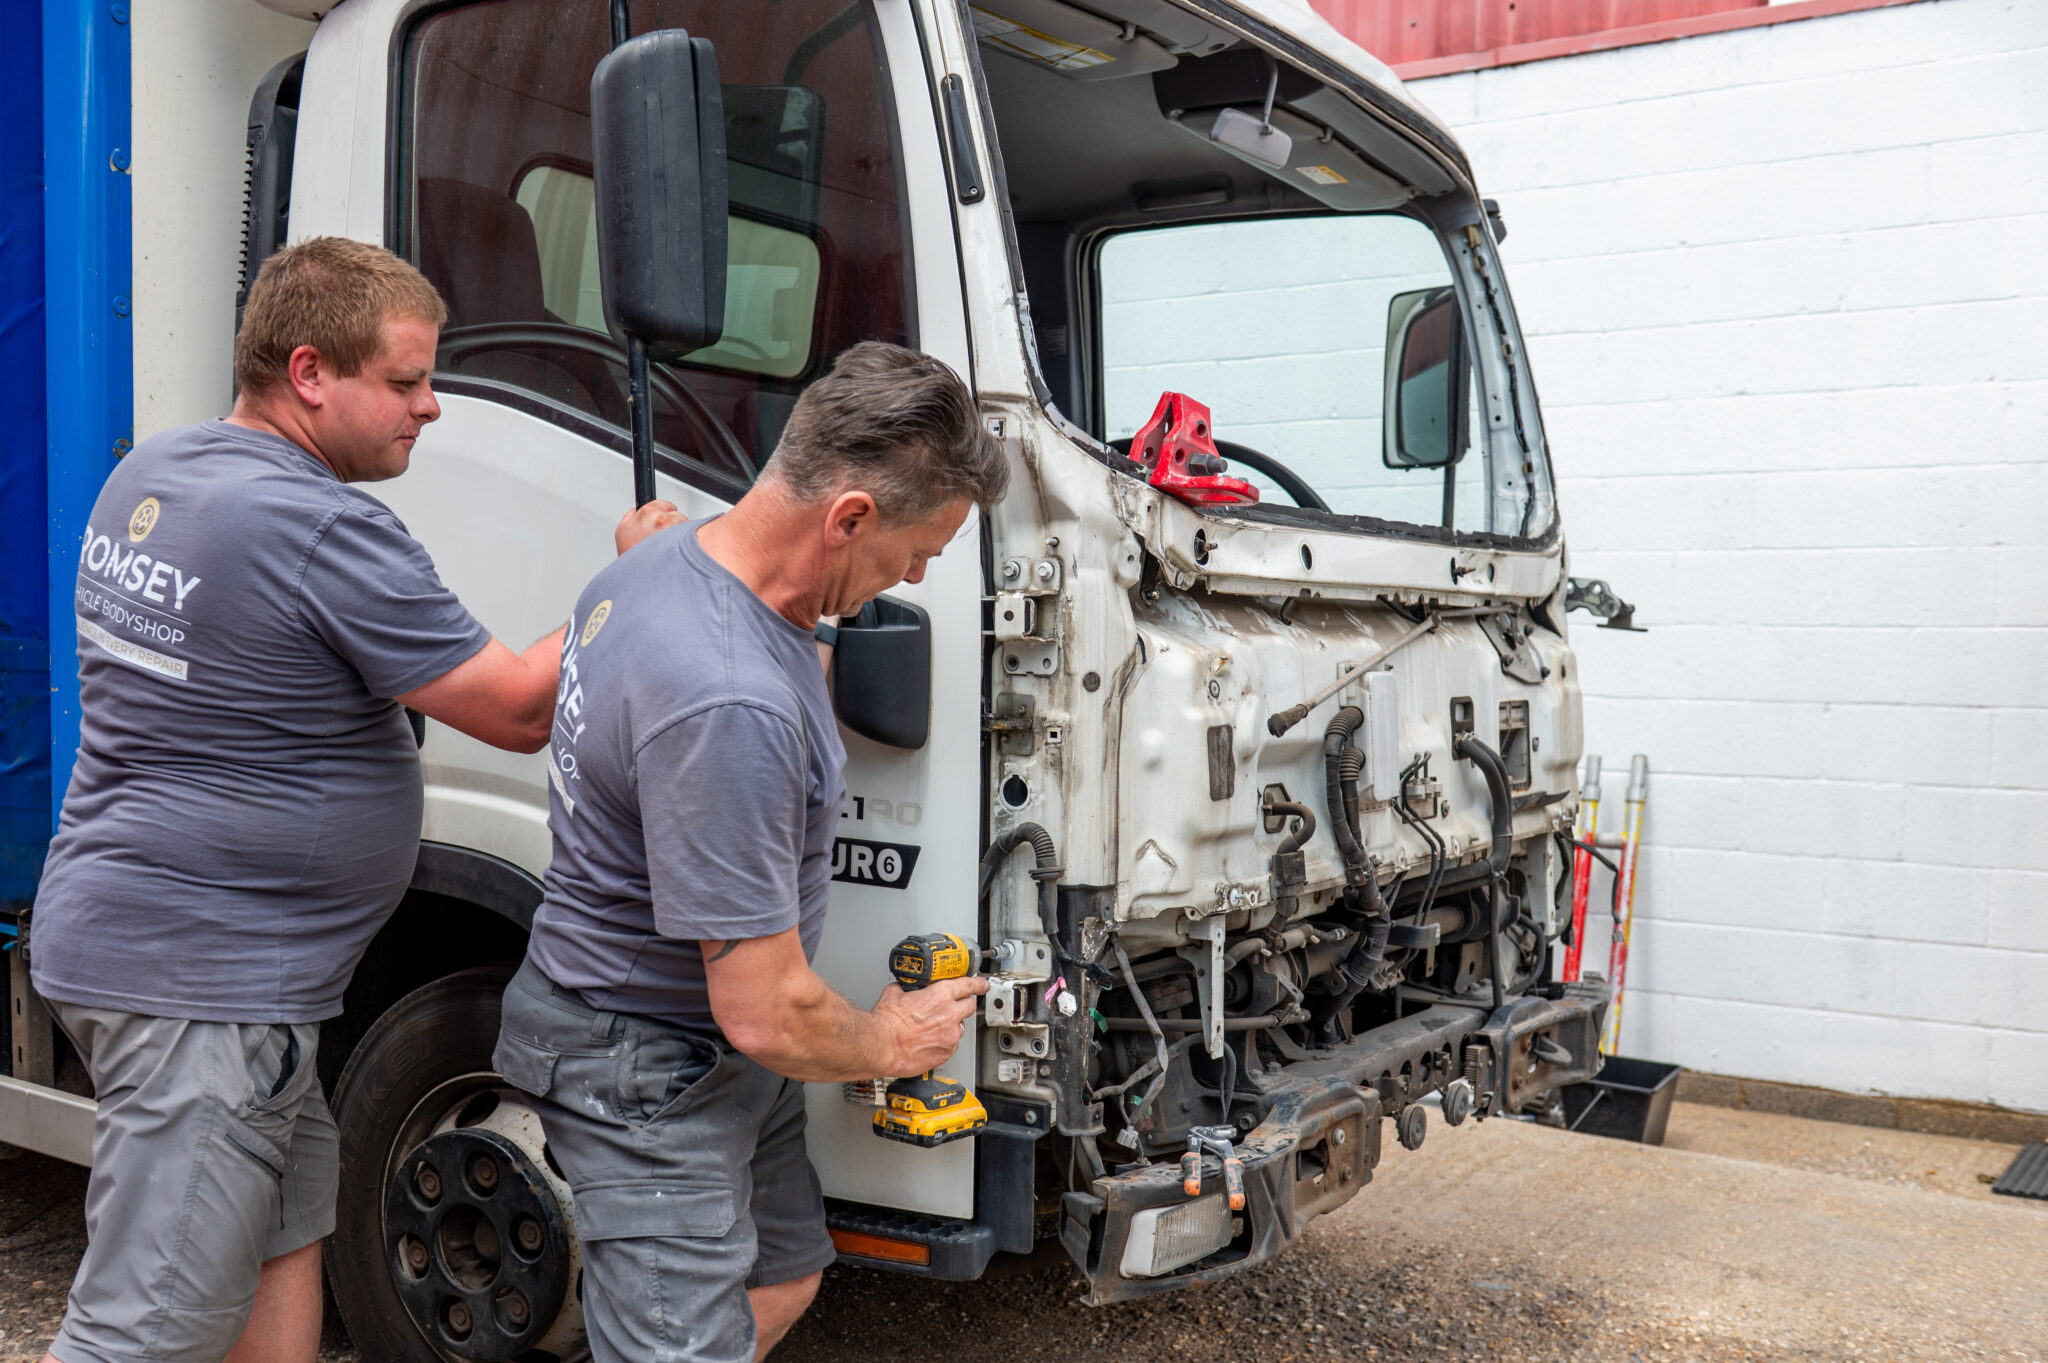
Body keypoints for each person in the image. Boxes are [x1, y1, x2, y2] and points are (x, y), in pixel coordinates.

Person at [30, 236, 678, 1363]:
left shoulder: (160, 472)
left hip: (187, 963)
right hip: (205, 990)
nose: (431, 408)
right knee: (139, 1331)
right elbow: (522, 707)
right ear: (310, 371)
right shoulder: (317, 526)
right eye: (406, 380)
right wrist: (641, 580)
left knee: (286, 1244)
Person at [494, 341, 1009, 1362]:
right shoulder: (722, 699)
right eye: (918, 551)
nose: (914, 575)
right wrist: (893, 1043)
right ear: (847, 516)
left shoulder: (660, 557)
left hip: (714, 1049)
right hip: (645, 1060)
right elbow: (765, 1007)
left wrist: (825, 620)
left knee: (783, 1273)